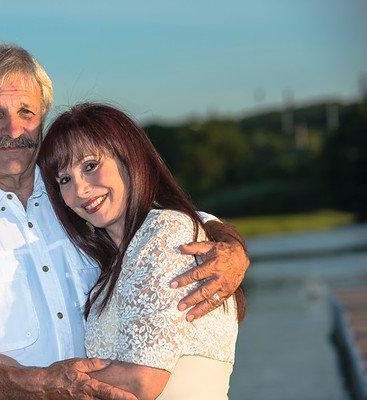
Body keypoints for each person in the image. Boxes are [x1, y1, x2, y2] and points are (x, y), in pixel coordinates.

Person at [0, 42, 250, 400]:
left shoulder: (79, 197)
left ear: (42, 117)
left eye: (26, 112)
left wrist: (230, 247)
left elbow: (171, 222)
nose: (14, 129)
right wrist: (30, 384)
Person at [38, 103, 245, 399]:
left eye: (90, 165)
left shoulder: (165, 232)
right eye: (64, 180)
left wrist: (33, 383)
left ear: (128, 158)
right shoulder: (115, 260)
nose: (80, 190)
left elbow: (143, 380)